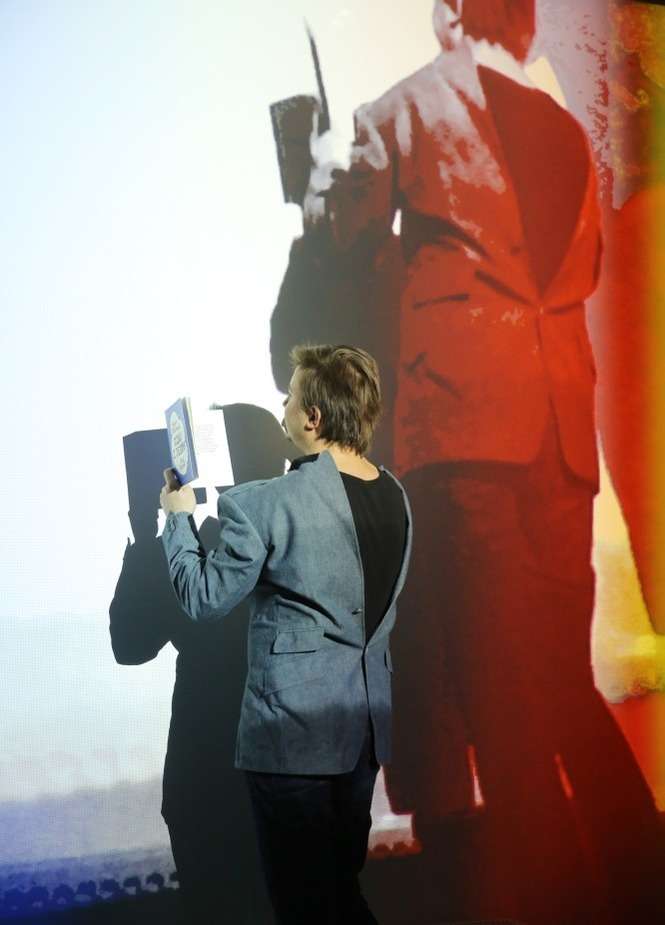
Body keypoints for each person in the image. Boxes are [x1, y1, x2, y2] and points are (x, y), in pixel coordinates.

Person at [308, 2, 664, 922]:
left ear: (449, 13)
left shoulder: (400, 110)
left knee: (504, 701)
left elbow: (345, 236)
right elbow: (579, 267)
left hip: (468, 442)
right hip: (558, 444)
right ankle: (641, 880)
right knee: (558, 686)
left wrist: (321, 179)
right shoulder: (567, 131)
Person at [160, 344, 412, 925]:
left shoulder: (264, 503)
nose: (283, 408)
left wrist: (177, 518)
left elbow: (203, 599)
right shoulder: (397, 497)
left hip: (292, 737)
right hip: (363, 732)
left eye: (290, 397)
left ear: (313, 417)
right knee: (338, 891)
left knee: (308, 906)